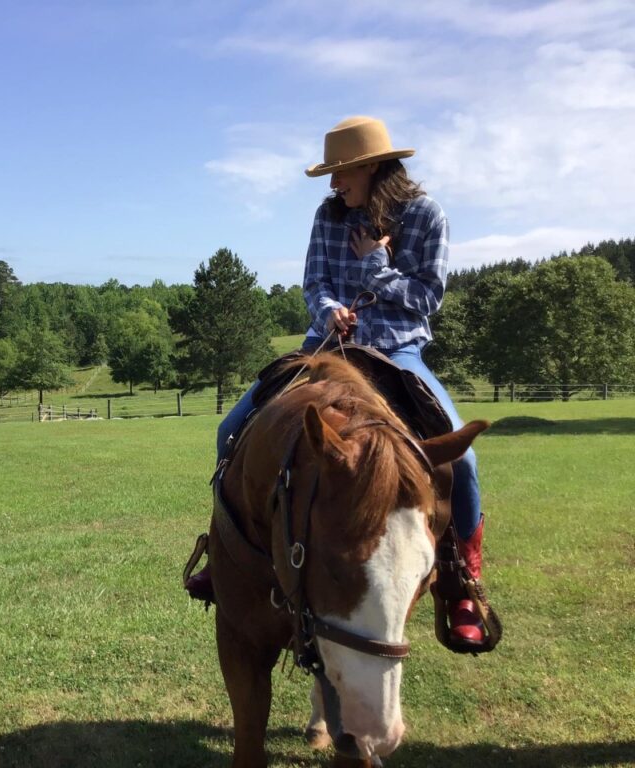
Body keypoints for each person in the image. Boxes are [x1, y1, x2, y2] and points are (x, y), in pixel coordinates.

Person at [188, 116, 487, 647]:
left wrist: (375, 265)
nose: (333, 184)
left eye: (341, 172)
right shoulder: (328, 217)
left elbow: (427, 297)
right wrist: (327, 311)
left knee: (461, 459)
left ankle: (463, 579)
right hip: (325, 348)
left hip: (397, 351)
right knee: (231, 430)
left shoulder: (425, 216)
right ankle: (227, 554)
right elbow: (315, 283)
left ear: (372, 167)